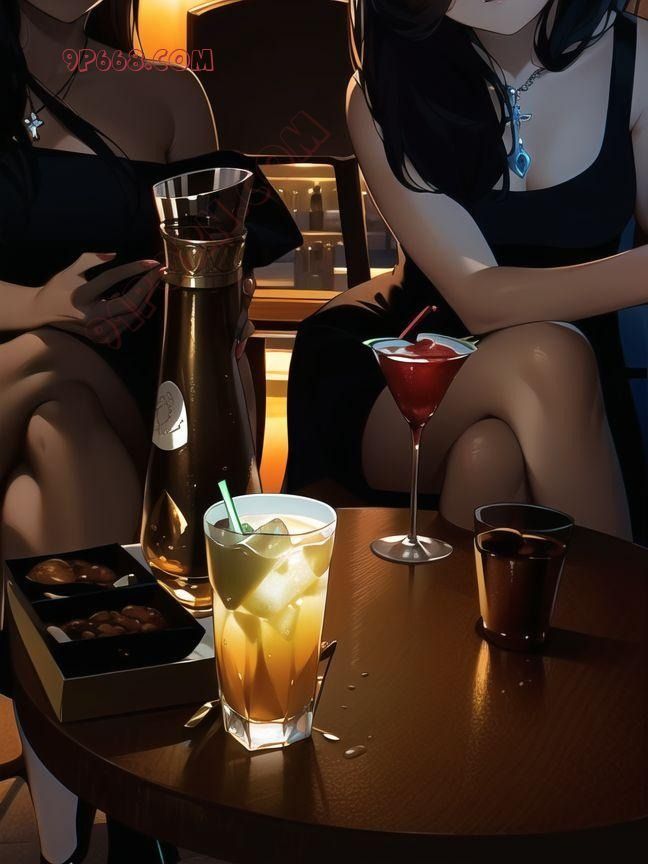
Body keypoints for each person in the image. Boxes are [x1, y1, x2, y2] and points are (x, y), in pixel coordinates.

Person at [0, 2, 300, 861]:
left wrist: (208, 284)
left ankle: (67, 834)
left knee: (62, 440)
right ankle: (134, 817)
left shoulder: (168, 92)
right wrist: (41, 305)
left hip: (132, 399)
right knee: (52, 392)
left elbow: (220, 283)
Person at [287, 0, 648, 542]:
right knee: (549, 356)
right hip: (411, 365)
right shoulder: (383, 88)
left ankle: (446, 598)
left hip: (580, 384)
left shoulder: (636, 57)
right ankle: (617, 599)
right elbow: (477, 296)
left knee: (489, 455)